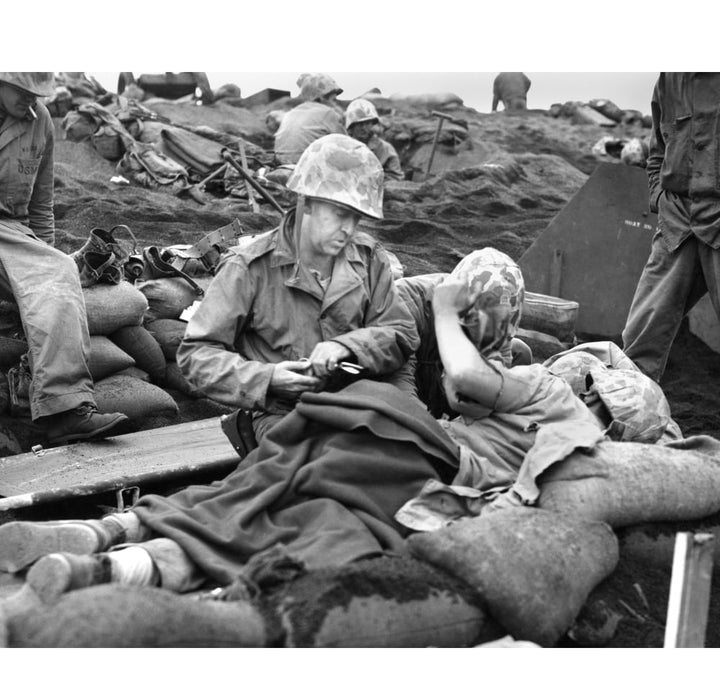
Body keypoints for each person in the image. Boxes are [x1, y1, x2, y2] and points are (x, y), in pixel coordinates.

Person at [0, 248, 608, 603]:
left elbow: (478, 381)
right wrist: (418, 427)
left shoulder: (541, 386)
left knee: (292, 498)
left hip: (404, 444)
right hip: (355, 418)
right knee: (284, 477)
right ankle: (120, 544)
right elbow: (397, 382)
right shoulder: (411, 306)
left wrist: (432, 428)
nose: (479, 338)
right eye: (470, 324)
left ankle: (115, 543)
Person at [177, 133, 420, 442]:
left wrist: (349, 346)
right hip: (285, 412)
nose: (349, 229)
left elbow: (401, 331)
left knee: (419, 450)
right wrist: (268, 379)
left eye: (356, 218)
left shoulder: (370, 258)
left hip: (363, 399)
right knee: (325, 463)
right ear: (305, 202)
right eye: (340, 214)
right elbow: (197, 354)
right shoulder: (248, 267)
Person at [0, 72, 129, 444]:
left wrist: (42, 263)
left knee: (58, 272)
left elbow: (41, 203)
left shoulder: (40, 121)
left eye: (37, 93)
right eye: (23, 91)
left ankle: (64, 410)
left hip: (10, 233)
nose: (31, 100)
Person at [622, 73, 720, 382]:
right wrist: (658, 197)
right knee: (640, 337)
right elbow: (658, 150)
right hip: (677, 219)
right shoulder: (669, 80)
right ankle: (626, 409)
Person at [273, 73, 346, 165]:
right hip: (307, 165)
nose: (335, 98)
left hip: (281, 164)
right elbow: (345, 145)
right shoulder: (328, 113)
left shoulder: (290, 113)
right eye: (331, 94)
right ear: (321, 96)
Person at [345, 98, 404, 181]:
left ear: (373, 124)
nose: (364, 128)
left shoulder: (385, 148)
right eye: (359, 124)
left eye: (367, 123)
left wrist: (373, 181)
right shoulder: (343, 146)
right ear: (351, 126)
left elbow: (395, 177)